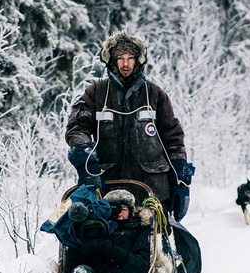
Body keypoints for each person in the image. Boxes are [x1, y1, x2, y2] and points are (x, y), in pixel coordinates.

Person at [65, 31, 194, 221]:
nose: (125, 64)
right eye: (120, 58)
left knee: (158, 245)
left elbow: (173, 139)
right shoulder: (97, 93)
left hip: (152, 190)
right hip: (106, 187)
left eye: (131, 58)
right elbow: (77, 127)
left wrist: (181, 180)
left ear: (138, 60)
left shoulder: (155, 95)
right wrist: (87, 160)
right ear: (111, 61)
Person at [60, 189, 154, 273]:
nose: (118, 213)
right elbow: (72, 267)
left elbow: (143, 266)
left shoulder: (140, 229)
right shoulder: (94, 228)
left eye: (123, 209)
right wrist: (83, 249)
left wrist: (111, 251)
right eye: (113, 209)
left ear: (131, 210)